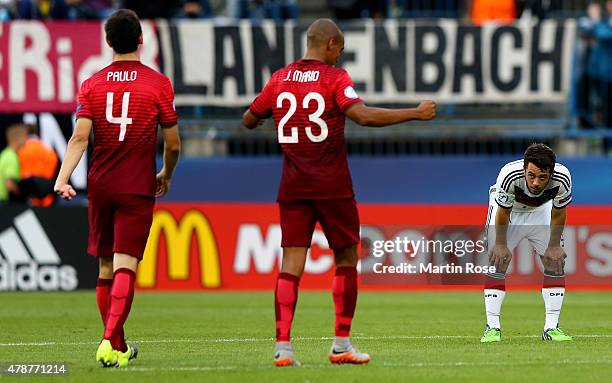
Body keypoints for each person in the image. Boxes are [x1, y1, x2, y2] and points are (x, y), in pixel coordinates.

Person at [242, 18, 436, 367]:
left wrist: (263, 118)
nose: (339, 57)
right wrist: (416, 114)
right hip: (332, 186)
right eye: (340, 50)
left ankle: (283, 347)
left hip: (293, 186)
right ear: (330, 44)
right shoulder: (334, 78)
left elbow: (248, 118)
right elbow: (363, 116)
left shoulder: (279, 79)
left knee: (290, 264)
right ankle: (341, 344)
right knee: (346, 259)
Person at [54, 9, 181, 367]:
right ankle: (109, 341)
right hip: (136, 186)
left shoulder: (91, 84)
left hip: (101, 184)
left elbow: (80, 137)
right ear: (141, 39)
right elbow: (172, 144)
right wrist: (166, 174)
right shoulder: (158, 84)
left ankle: (119, 346)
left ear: (108, 42)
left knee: (105, 268)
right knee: (127, 265)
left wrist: (63, 178)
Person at [481, 143, 572, 343]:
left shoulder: (563, 178)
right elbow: (503, 211)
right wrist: (501, 244)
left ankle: (551, 328)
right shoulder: (509, 174)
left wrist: (554, 245)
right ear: (524, 168)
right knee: (497, 260)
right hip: (510, 212)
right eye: (531, 175)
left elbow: (559, 212)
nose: (536, 182)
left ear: (551, 172)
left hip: (541, 211)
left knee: (555, 263)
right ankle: (492, 328)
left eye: (542, 177)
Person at [18, 126, 59, 207]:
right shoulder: (49, 151)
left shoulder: (21, 150)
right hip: (47, 196)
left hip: (29, 197)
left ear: (25, 134)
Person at [0, 125, 28, 205]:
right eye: (25, 136)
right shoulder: (11, 157)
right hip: (3, 203)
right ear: (18, 138)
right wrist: (23, 196)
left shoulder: (5, 153)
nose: (27, 140)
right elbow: (10, 184)